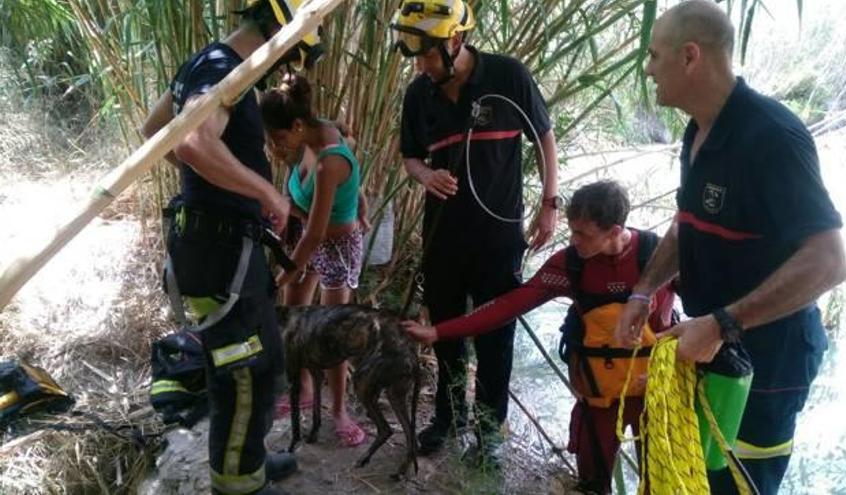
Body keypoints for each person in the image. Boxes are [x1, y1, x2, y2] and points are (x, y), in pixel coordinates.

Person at [614, 2, 846, 493]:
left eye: (655, 56)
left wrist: (724, 323)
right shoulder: (697, 130)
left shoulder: (773, 137)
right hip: (709, 345)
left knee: (736, 484)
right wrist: (643, 290)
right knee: (687, 474)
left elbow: (829, 261)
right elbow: (687, 224)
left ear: (691, 56)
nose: (648, 67)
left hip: (768, 361)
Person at [140, 1, 322, 493]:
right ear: (279, 35)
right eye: (291, 55)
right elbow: (191, 143)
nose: (285, 70)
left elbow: (154, 128)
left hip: (221, 248)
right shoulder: (226, 70)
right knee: (245, 373)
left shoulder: (207, 63)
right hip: (218, 253)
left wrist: (225, 184)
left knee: (257, 361)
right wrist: (264, 191)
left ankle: (250, 459)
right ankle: (239, 484)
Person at [404, 180, 675, 485]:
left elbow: (710, 310)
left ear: (613, 232)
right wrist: (439, 332)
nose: (572, 240)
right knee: (592, 482)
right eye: (571, 230)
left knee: (662, 484)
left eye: (582, 234)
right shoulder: (571, 265)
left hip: (656, 393)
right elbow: (507, 306)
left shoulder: (661, 256)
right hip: (600, 399)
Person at [390, 0, 560, 465]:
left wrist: (549, 205)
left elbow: (544, 136)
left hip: (498, 237)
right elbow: (410, 156)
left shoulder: (507, 76)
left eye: (426, 55)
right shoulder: (418, 95)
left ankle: (488, 431)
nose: (421, 67)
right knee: (444, 333)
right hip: (442, 235)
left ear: (455, 41)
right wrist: (425, 176)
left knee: (496, 336)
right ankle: (447, 419)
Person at [260, 75, 367, 447]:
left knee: (333, 331)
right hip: (306, 236)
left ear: (298, 125)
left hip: (335, 246)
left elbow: (318, 235)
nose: (275, 146)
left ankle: (339, 410)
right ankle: (305, 388)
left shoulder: (329, 162)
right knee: (296, 319)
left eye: (278, 138)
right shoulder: (312, 137)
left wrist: (281, 276)